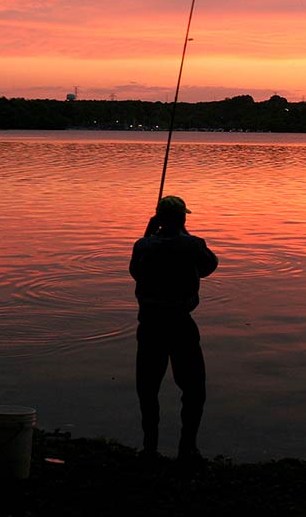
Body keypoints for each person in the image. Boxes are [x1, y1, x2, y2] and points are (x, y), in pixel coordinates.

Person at [130, 195, 218, 461]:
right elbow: (209, 266)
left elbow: (135, 271)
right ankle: (187, 448)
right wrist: (182, 232)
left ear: (158, 217)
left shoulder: (142, 245)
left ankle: (149, 448)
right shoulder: (192, 244)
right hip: (180, 325)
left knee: (147, 389)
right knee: (194, 390)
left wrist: (149, 231)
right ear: (183, 218)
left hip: (150, 326)